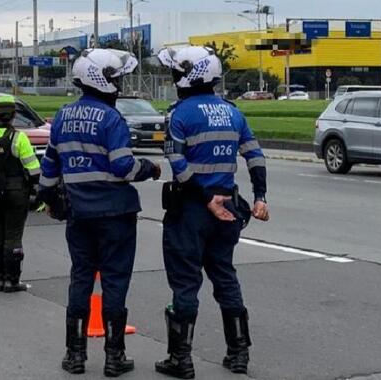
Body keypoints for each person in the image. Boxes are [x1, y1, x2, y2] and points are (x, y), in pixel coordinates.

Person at [38, 49, 161, 377]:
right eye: (116, 78)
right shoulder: (111, 118)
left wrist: (50, 199)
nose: (119, 84)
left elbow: (48, 171)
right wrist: (150, 167)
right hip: (116, 215)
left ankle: (75, 355)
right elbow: (123, 165)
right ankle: (113, 356)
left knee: (80, 278)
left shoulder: (62, 117)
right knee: (115, 281)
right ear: (103, 81)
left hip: (79, 214)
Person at [153, 46, 270, 379]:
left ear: (188, 77)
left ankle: (181, 360)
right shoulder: (233, 113)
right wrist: (260, 196)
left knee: (186, 284)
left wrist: (205, 198)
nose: (174, 79)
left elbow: (177, 162)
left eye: (176, 73)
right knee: (225, 276)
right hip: (229, 208)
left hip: (191, 209)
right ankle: (239, 354)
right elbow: (255, 156)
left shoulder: (180, 115)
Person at [0, 95, 41, 293]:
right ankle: (12, 281)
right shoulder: (18, 137)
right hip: (15, 192)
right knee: (13, 236)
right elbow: (34, 169)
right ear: (13, 115)